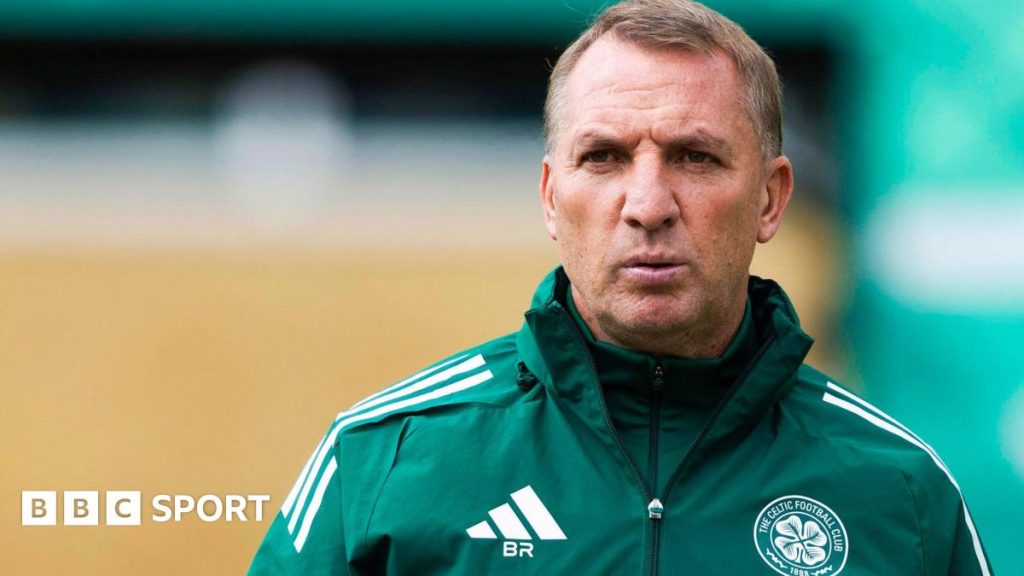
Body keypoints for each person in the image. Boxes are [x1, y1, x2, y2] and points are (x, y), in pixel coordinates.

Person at [248, 0, 994, 574]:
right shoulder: (384, 460)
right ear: (549, 197)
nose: (646, 205)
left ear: (770, 199)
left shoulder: (901, 491)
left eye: (695, 158)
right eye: (603, 157)